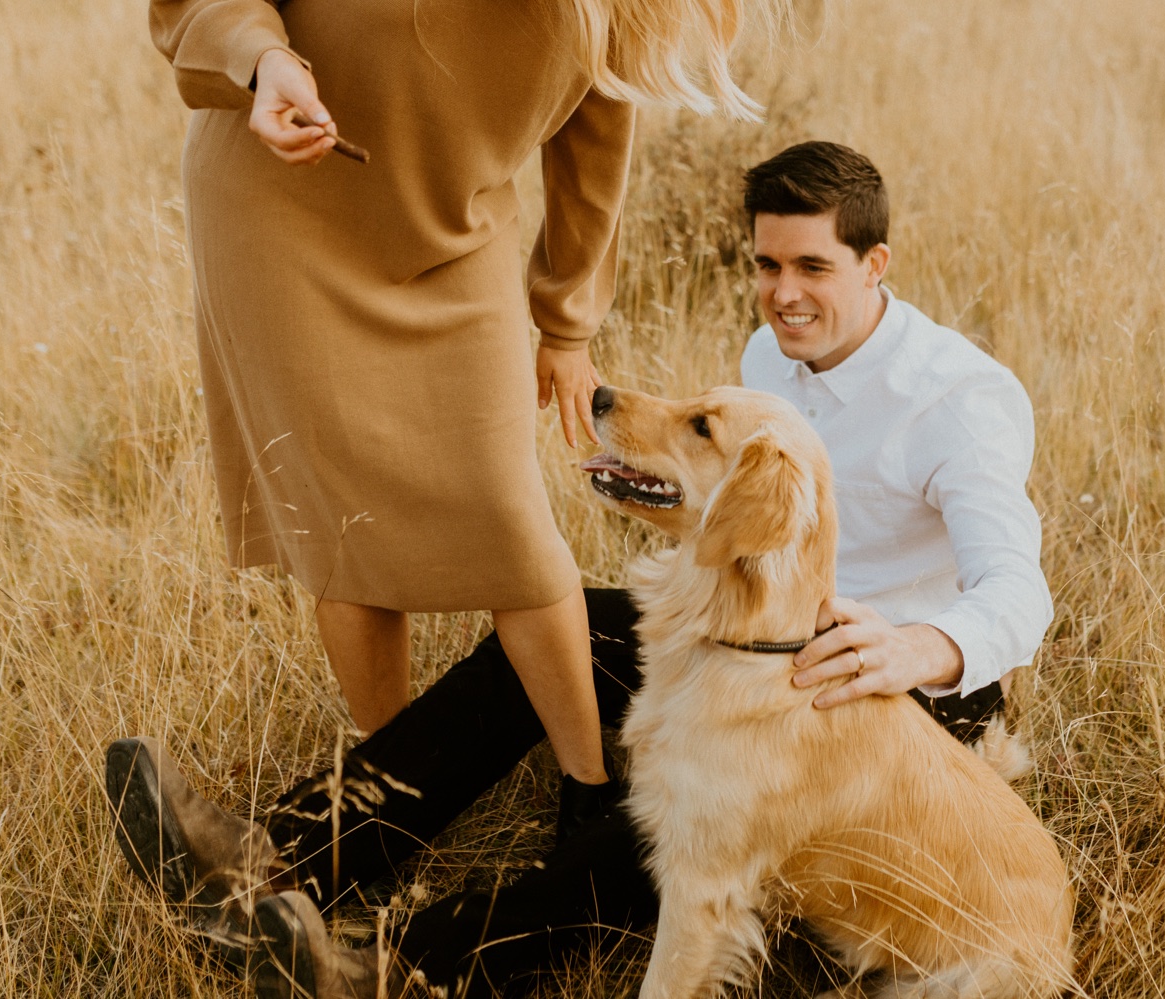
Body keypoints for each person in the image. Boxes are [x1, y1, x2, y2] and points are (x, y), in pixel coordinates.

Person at [106, 141, 1054, 998]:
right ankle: (286, 855)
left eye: (813, 267)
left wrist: (916, 645)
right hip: (755, 641)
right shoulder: (772, 353)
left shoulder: (960, 400)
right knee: (546, 627)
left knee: (678, 825)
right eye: (766, 265)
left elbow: (1018, 591)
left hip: (898, 694)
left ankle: (391, 971)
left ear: (874, 264)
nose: (783, 292)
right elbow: (722, 516)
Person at [145, 0, 786, 833]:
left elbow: (597, 135)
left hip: (460, 232)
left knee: (509, 519)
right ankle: (395, 799)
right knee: (351, 531)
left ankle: (591, 806)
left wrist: (567, 319)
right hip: (283, 210)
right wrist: (263, 58)